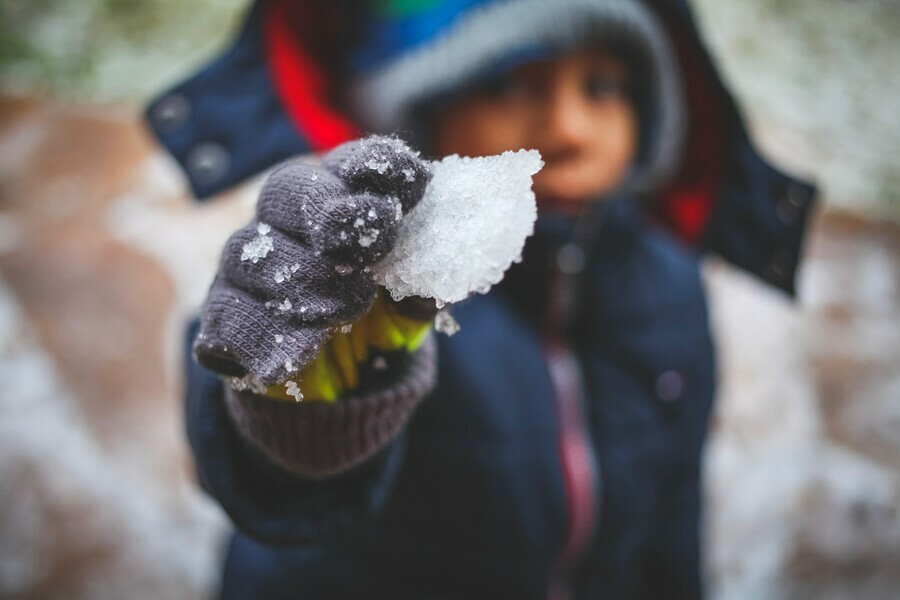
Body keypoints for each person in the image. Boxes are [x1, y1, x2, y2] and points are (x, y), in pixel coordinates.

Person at [145, 0, 817, 598]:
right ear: (425, 117)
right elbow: (275, 484)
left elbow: (673, 518)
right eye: (513, 84)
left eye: (603, 86)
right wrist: (308, 404)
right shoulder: (379, 278)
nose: (570, 128)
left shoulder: (671, 289)